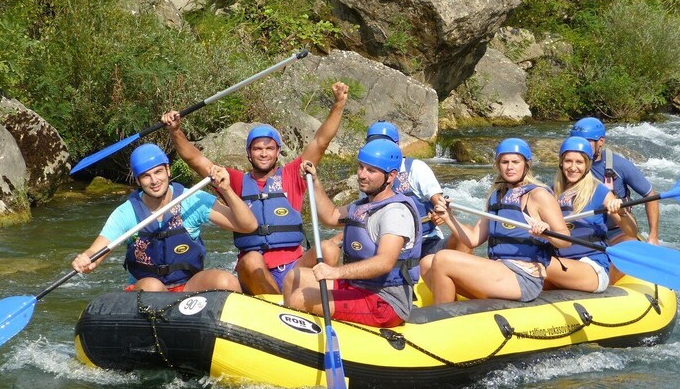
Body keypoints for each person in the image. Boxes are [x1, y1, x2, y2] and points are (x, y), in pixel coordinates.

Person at [162, 81, 348, 295]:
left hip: (293, 268)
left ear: (278, 152)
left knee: (329, 248)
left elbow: (321, 141)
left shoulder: (292, 175)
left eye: (269, 148)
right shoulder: (234, 181)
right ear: (249, 153)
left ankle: (311, 301)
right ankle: (277, 305)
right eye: (257, 148)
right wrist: (176, 132)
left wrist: (339, 104)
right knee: (251, 260)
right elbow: (195, 159)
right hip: (254, 271)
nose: (263, 153)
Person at [72, 143, 258, 292]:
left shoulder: (192, 199)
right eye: (146, 176)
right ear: (137, 180)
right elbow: (95, 254)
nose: (154, 181)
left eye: (158, 172)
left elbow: (247, 225)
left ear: (168, 170)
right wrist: (86, 260)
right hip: (147, 290)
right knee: (153, 287)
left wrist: (226, 190)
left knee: (226, 281)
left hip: (188, 285)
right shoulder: (126, 213)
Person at [282, 140, 421, 327]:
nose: (362, 175)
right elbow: (330, 216)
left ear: (391, 176)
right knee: (294, 277)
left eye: (371, 171)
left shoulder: (395, 213)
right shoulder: (364, 205)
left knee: (299, 298)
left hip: (384, 301)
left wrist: (335, 272)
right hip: (358, 286)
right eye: (361, 167)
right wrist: (314, 182)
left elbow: (385, 262)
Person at [422, 138, 571, 304]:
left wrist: (546, 234)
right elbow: (473, 239)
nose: (510, 167)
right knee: (427, 263)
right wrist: (449, 217)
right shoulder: (497, 196)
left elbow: (565, 240)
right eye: (504, 162)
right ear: (498, 165)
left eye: (515, 162)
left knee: (443, 259)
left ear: (526, 165)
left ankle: (444, 318)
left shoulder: (538, 195)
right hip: (500, 269)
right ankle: (454, 310)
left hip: (524, 277)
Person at [545, 137, 636, 293]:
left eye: (579, 162)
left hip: (591, 266)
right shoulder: (550, 192)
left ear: (587, 165)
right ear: (561, 163)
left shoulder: (599, 191)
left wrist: (621, 212)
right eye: (568, 161)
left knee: (535, 264)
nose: (573, 167)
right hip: (562, 263)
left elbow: (631, 232)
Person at [569, 117, 659, 245]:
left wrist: (653, 236)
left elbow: (651, 195)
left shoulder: (620, 165)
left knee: (629, 246)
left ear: (601, 141)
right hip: (584, 230)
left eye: (586, 142)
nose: (581, 147)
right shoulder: (570, 169)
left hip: (616, 231)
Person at [364, 121, 447, 258]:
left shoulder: (416, 168)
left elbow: (439, 200)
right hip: (387, 244)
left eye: (385, 143)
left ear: (396, 145)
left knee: (459, 241)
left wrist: (441, 213)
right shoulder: (368, 176)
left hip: (426, 240)